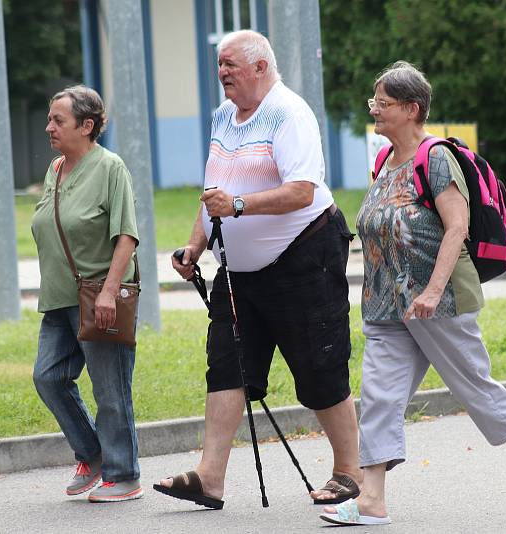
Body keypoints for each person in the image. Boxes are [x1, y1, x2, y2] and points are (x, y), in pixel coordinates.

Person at [320, 61, 506, 526]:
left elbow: (457, 228)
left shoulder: (434, 158)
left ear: (412, 109)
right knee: (378, 398)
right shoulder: (383, 162)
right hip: (387, 306)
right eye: (375, 101)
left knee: (474, 387)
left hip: (440, 302)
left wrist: (432, 291)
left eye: (383, 103)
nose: (374, 109)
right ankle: (372, 500)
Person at [154, 29, 362, 509]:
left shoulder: (290, 113)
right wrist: (194, 245)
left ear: (261, 67)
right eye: (219, 65)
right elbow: (215, 191)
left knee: (319, 364)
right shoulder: (224, 116)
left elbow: (302, 191)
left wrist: (240, 205)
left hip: (304, 256)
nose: (222, 72)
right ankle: (209, 478)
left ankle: (349, 471)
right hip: (239, 271)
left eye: (230, 64)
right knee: (226, 364)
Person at [31, 85, 142, 502]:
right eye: (50, 119)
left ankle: (124, 475)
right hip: (59, 298)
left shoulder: (110, 168)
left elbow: (127, 235)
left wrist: (110, 292)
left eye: (58, 120)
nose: (49, 128)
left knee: (110, 388)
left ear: (87, 125)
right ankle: (94, 454)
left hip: (99, 296)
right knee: (48, 377)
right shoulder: (56, 169)